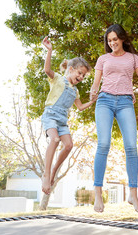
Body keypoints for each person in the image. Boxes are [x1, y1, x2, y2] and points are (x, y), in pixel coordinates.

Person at [90, 24, 138, 215]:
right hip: (104, 101)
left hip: (125, 101)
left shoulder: (133, 58)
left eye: (115, 39)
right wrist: (92, 91)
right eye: (109, 40)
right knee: (103, 144)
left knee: (131, 146)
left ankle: (133, 194)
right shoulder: (103, 59)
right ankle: (98, 193)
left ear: (122, 39)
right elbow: (95, 83)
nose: (112, 42)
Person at [41, 36, 97, 195]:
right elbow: (47, 70)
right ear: (70, 69)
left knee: (68, 145)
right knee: (55, 139)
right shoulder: (57, 79)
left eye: (83, 76)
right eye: (80, 73)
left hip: (62, 121)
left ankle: (53, 172)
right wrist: (49, 51)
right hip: (51, 115)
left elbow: (79, 107)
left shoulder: (75, 91)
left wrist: (93, 101)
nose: (81, 77)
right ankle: (46, 174)